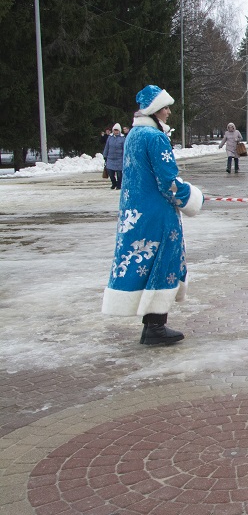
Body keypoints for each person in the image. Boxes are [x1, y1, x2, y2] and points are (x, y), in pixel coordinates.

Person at [101, 85, 203, 345]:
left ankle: (151, 325)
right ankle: (156, 326)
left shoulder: (134, 134)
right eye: (166, 107)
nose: (169, 112)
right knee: (163, 263)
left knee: (143, 263)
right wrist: (191, 198)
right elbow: (168, 180)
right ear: (156, 111)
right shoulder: (155, 138)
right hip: (157, 213)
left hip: (135, 212)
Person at [101, 123, 126, 190]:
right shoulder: (110, 138)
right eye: (115, 130)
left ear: (119, 131)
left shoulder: (123, 138)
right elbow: (107, 147)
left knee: (119, 174)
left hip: (119, 159)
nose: (116, 132)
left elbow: (124, 149)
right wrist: (105, 155)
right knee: (110, 173)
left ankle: (118, 185)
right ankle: (114, 183)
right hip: (110, 158)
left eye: (117, 130)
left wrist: (124, 157)